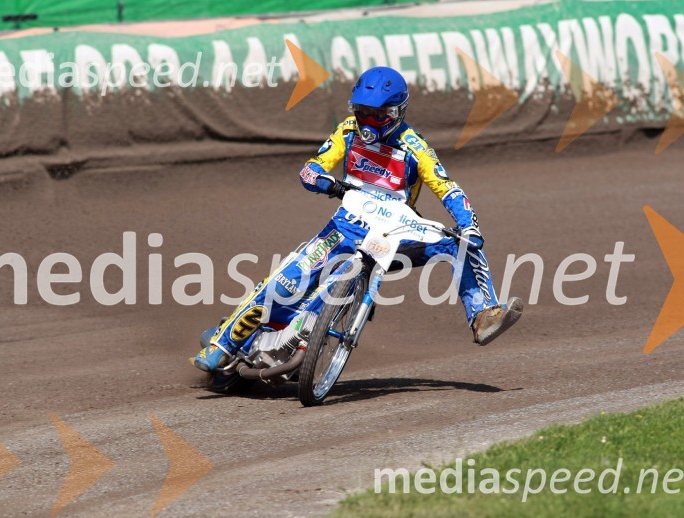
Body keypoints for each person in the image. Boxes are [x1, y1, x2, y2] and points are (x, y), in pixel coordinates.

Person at [192, 66, 522, 373]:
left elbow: (447, 188)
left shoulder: (415, 147)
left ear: (397, 113)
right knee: (285, 282)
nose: (368, 122)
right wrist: (325, 182)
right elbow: (311, 168)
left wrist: (468, 224)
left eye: (378, 115)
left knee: (462, 244)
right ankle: (222, 344)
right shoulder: (347, 131)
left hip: (396, 234)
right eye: (362, 111)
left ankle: (483, 315)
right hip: (344, 227)